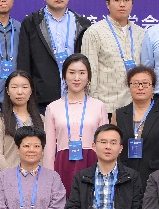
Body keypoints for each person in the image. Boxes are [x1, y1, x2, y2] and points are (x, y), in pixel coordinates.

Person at [17, 0, 92, 109]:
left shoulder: (82, 24)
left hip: (77, 96)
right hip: (42, 99)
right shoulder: (31, 23)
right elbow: (24, 62)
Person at [43, 54, 111, 191]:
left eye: (82, 73)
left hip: (92, 161)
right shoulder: (53, 107)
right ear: (64, 75)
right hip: (63, 162)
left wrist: (106, 171)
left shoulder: (99, 106)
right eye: (72, 72)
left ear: (88, 76)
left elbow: (105, 142)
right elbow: (49, 148)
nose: (77, 78)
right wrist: (48, 177)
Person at [82, 0, 146, 113]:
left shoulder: (141, 33)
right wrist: (93, 108)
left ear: (132, 3)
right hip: (107, 107)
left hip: (137, 107)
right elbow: (90, 73)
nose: (122, 4)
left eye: (127, 0)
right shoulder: (94, 32)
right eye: (117, 0)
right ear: (108, 4)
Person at [115, 65, 159, 181]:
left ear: (153, 87)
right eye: (135, 83)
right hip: (124, 177)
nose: (140, 87)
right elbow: (114, 149)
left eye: (145, 83)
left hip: (156, 177)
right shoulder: (118, 115)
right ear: (129, 86)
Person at [0, 71, 43, 177]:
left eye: (24, 87)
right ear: (7, 91)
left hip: (35, 179)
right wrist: (12, 177)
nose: (19, 92)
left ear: (31, 90)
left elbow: (44, 153)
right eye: (14, 87)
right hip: (6, 178)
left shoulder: (41, 119)